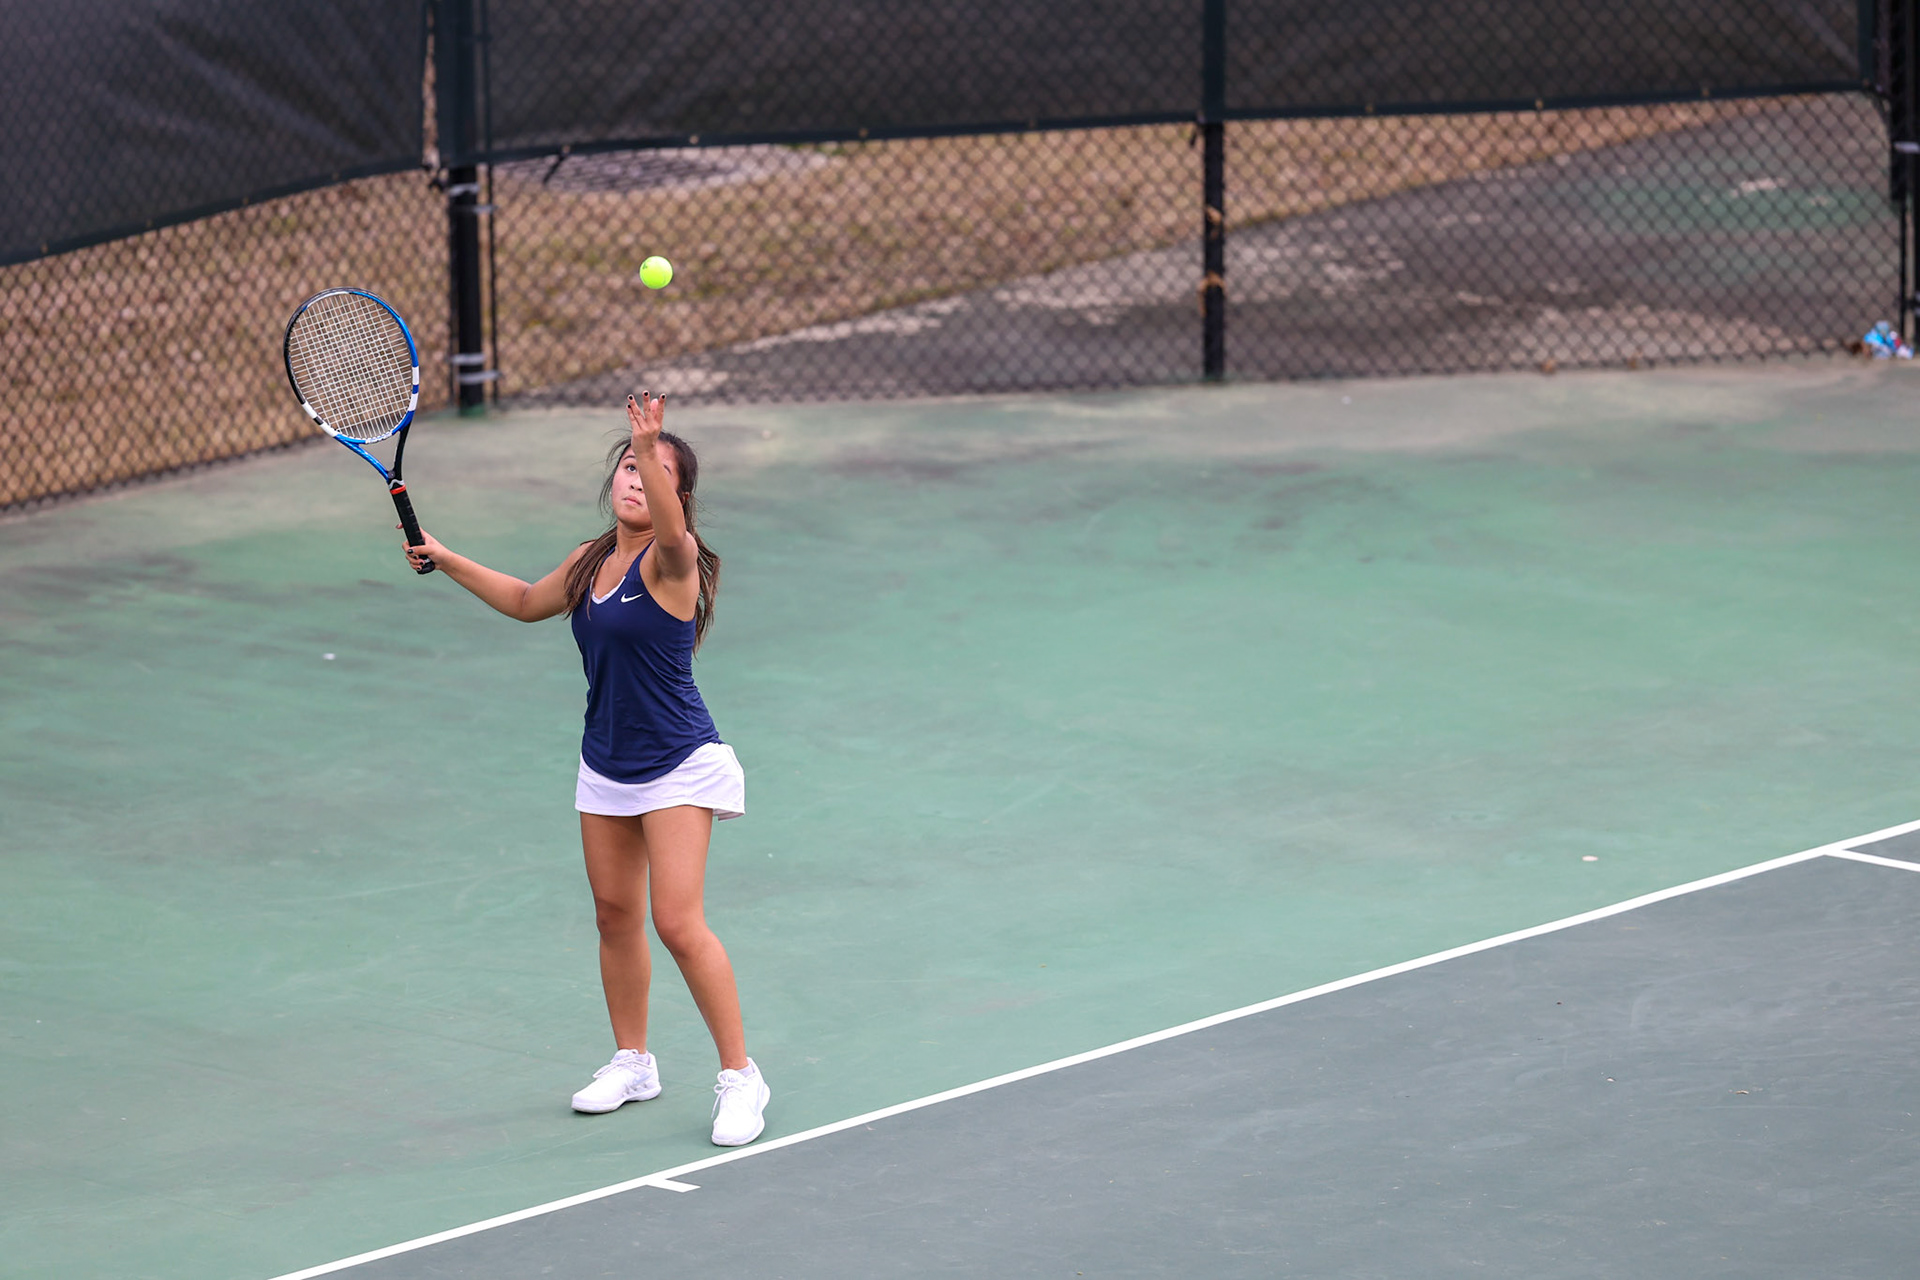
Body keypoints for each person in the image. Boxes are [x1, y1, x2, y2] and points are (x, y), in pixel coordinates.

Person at [403, 391, 769, 1147]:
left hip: (678, 761)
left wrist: (647, 440)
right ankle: (634, 1061)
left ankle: (741, 1076)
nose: (635, 479)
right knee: (614, 916)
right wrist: (445, 559)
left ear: (679, 496)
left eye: (653, 472)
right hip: (606, 762)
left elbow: (671, 529)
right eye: (629, 468)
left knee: (676, 921)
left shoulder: (678, 560)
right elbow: (525, 601)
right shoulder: (591, 558)